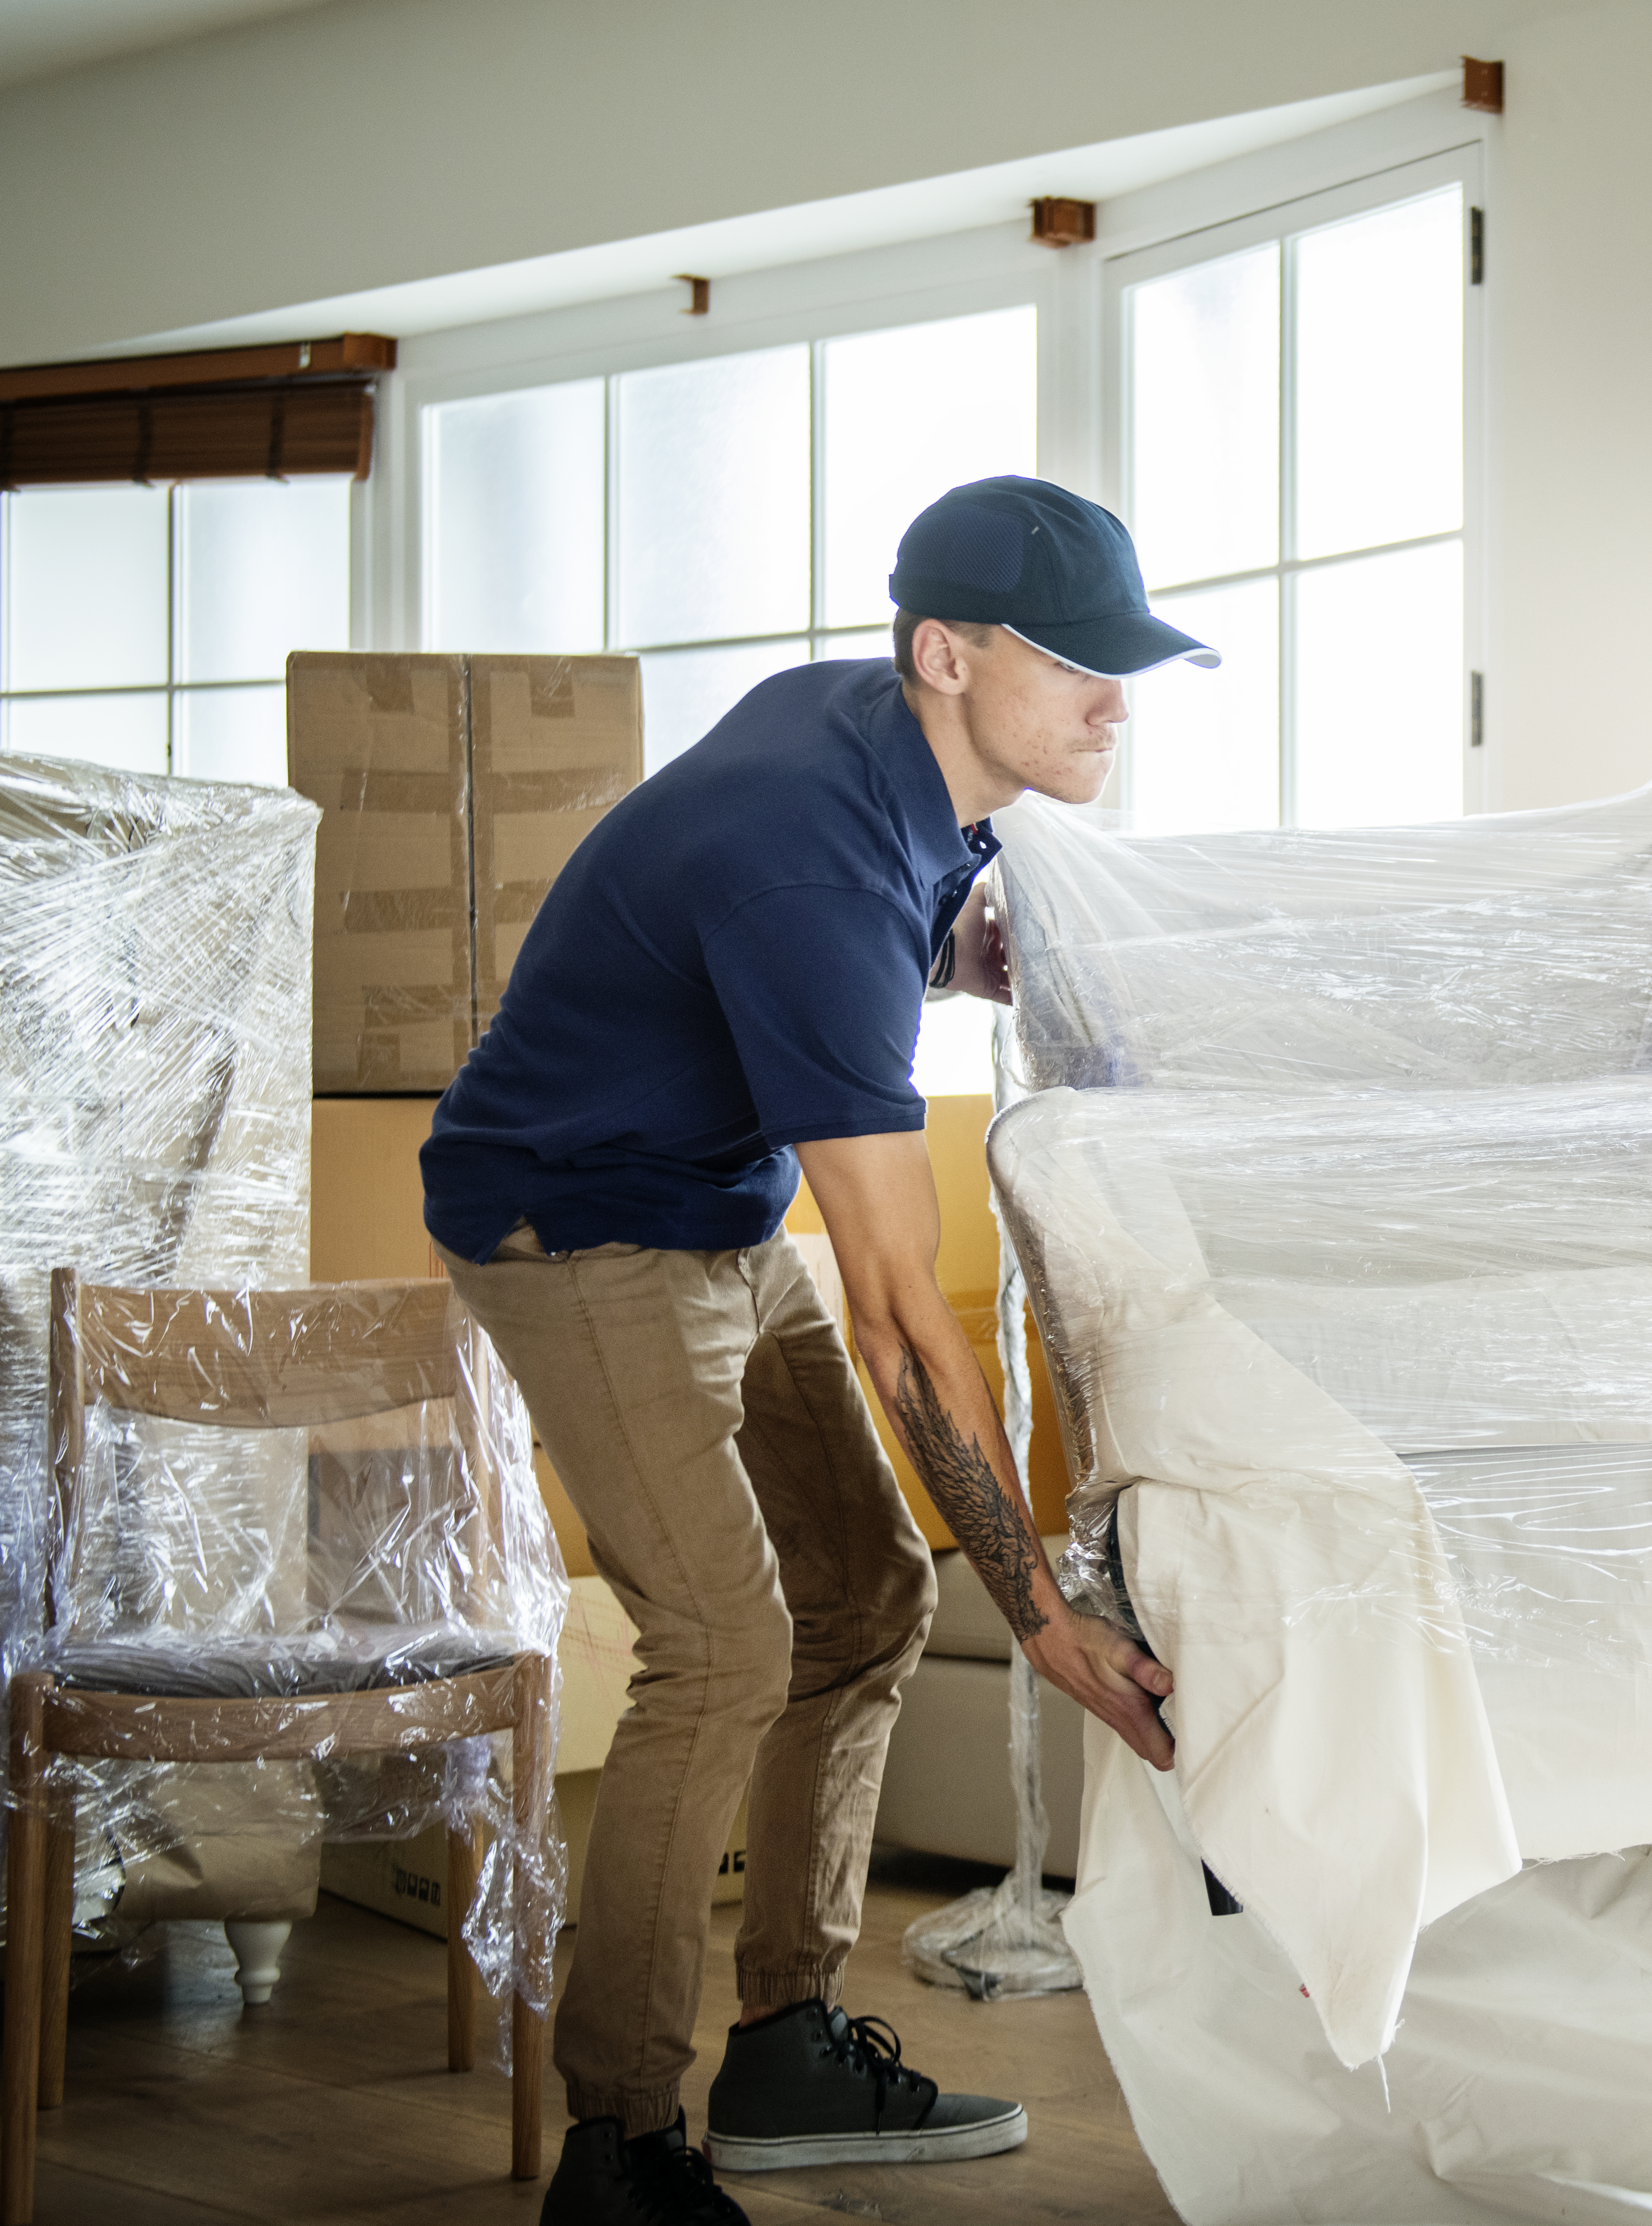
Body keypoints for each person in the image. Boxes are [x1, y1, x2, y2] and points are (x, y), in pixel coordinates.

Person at [422, 476, 1198, 2226]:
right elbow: (904, 1322)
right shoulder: (810, 850)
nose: (1117, 702)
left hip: (711, 1200)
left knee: (865, 1594)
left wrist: (953, 948)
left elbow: (838, 920)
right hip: (574, 1225)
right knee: (721, 1641)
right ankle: (616, 2147)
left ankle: (783, 2039)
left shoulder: (886, 741)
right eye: (1078, 662)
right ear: (944, 654)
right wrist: (1052, 1621)